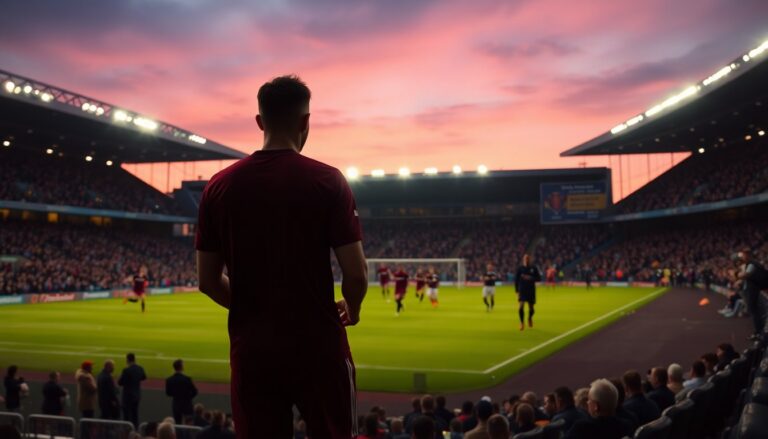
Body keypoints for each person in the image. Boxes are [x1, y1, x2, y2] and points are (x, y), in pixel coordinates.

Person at [195, 75, 367, 439]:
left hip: (253, 349)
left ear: (260, 121)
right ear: (306, 121)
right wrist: (352, 307)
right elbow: (356, 273)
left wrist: (254, 309)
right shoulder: (328, 180)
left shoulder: (219, 186)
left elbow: (207, 281)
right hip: (318, 344)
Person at [566, 379, 633, 439]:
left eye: (589, 399)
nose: (587, 402)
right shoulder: (626, 427)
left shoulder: (581, 428)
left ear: (596, 406)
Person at [735, 249, 768, 340]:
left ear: (748, 255)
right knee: (755, 312)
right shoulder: (751, 264)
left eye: (743, 256)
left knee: (756, 312)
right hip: (754, 290)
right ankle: (759, 332)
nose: (742, 258)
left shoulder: (752, 264)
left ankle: (759, 333)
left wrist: (737, 274)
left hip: (754, 291)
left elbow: (746, 275)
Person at [118, 353, 147, 428]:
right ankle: (136, 429)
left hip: (127, 396)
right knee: (135, 414)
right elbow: (144, 377)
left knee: (126, 415)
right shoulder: (140, 368)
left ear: (127, 360)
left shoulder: (126, 370)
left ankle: (127, 431)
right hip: (136, 395)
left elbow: (120, 382)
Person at [166, 359, 198, 424]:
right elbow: (195, 391)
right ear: (181, 367)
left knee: (178, 423)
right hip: (187, 404)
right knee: (189, 423)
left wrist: (176, 395)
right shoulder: (187, 379)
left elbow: (168, 393)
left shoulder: (169, 380)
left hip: (176, 404)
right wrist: (188, 397)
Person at [515, 254, 541, 331]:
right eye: (525, 259)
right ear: (523, 260)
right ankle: (522, 323)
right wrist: (516, 290)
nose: (526, 260)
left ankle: (529, 318)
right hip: (522, 290)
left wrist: (530, 278)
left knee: (531, 308)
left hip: (531, 290)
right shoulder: (520, 268)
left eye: (528, 259)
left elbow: (539, 278)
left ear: (530, 260)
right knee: (521, 307)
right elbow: (516, 280)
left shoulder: (534, 268)